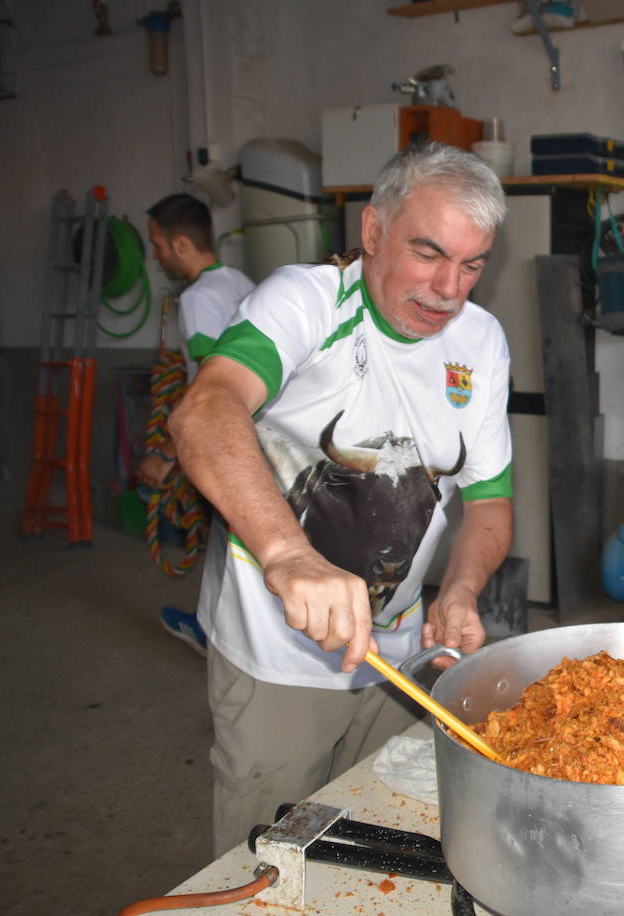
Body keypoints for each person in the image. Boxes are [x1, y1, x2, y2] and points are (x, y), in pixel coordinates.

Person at [168, 142, 513, 855]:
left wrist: (462, 590)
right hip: (277, 653)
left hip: (401, 650)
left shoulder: (481, 342)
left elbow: (487, 500)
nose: (450, 288)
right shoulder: (304, 302)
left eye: (472, 265)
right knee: (267, 855)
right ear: (374, 232)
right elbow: (204, 411)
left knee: (385, 842)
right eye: (428, 253)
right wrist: (289, 553)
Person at [141, 193, 254, 655]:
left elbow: (211, 385)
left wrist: (167, 454)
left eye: (158, 244)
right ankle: (214, 627)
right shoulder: (240, 282)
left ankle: (215, 635)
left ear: (182, 244)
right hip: (257, 429)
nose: (155, 254)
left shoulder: (199, 298)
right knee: (230, 540)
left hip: (226, 435)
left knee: (228, 540)